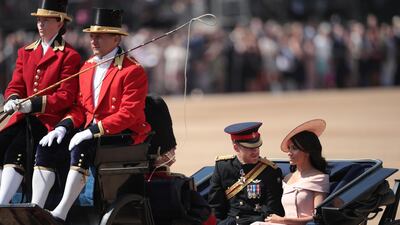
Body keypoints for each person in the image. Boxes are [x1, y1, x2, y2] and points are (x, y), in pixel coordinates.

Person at [32, 8, 151, 223]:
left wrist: (93, 131)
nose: (93, 41)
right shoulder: (86, 67)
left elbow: (129, 113)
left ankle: (60, 213)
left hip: (121, 134)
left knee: (82, 147)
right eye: (92, 36)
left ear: (116, 38)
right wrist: (63, 126)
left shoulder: (132, 70)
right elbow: (79, 107)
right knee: (46, 146)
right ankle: (36, 209)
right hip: (89, 130)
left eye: (99, 36)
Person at [0, 0, 80, 204]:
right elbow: (15, 85)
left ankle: (6, 202)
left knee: (17, 148)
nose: (40, 24)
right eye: (39, 20)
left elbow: (66, 96)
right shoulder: (25, 52)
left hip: (49, 121)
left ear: (60, 22)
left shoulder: (69, 56)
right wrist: (12, 99)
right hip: (22, 118)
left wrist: (33, 105)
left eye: (46, 20)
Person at [251, 119, 330, 225]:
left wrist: (283, 220)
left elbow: (318, 217)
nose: (289, 153)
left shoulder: (319, 178)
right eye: (289, 148)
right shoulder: (287, 178)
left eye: (294, 148)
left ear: (307, 151)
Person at [208, 122, 285, 225]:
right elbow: (215, 208)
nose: (255, 151)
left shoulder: (270, 171)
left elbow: (273, 210)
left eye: (257, 146)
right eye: (250, 148)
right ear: (236, 147)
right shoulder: (223, 168)